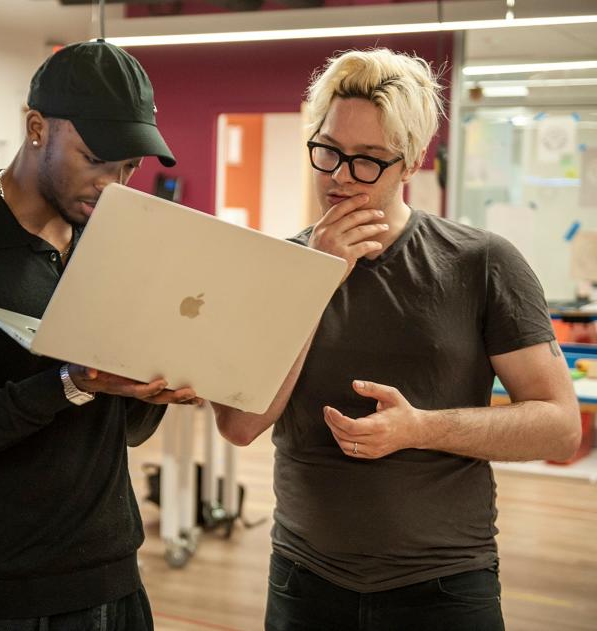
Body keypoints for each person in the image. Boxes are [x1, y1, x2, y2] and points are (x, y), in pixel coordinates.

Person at [212, 48, 581, 631]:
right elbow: (239, 424)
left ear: (410, 164)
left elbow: (559, 425)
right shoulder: (274, 266)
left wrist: (421, 428)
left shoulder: (482, 263)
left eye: (368, 161)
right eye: (328, 151)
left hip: (446, 582)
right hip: (304, 577)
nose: (338, 175)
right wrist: (312, 280)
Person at [0, 40, 200, 630]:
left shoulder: (108, 247)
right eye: (98, 160)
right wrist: (68, 384)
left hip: (112, 572)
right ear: (35, 128)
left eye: (129, 168)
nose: (115, 184)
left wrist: (154, 387)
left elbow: (118, 429)